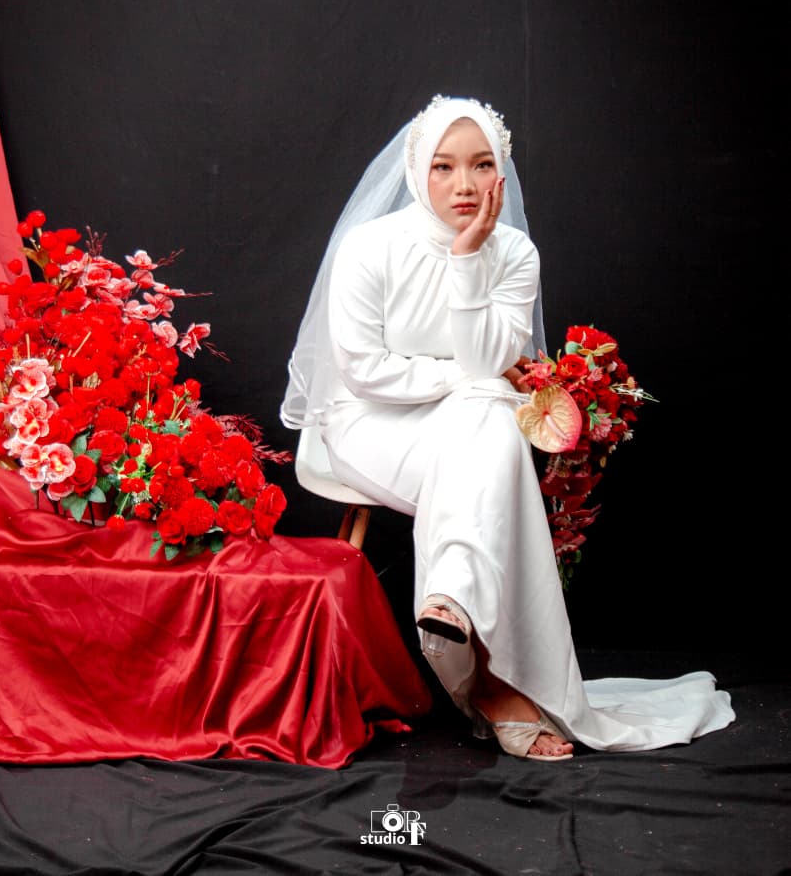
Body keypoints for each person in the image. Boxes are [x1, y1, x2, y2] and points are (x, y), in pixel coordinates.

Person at [281, 95, 735, 760]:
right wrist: (468, 381)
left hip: (464, 423)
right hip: (368, 424)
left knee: (487, 415)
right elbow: (366, 371)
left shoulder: (513, 253)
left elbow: (486, 360)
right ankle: (488, 672)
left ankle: (462, 619)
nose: (463, 184)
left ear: (501, 171)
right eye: (443, 166)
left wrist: (468, 257)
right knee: (489, 413)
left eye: (481, 165)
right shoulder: (369, 247)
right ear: (416, 169)